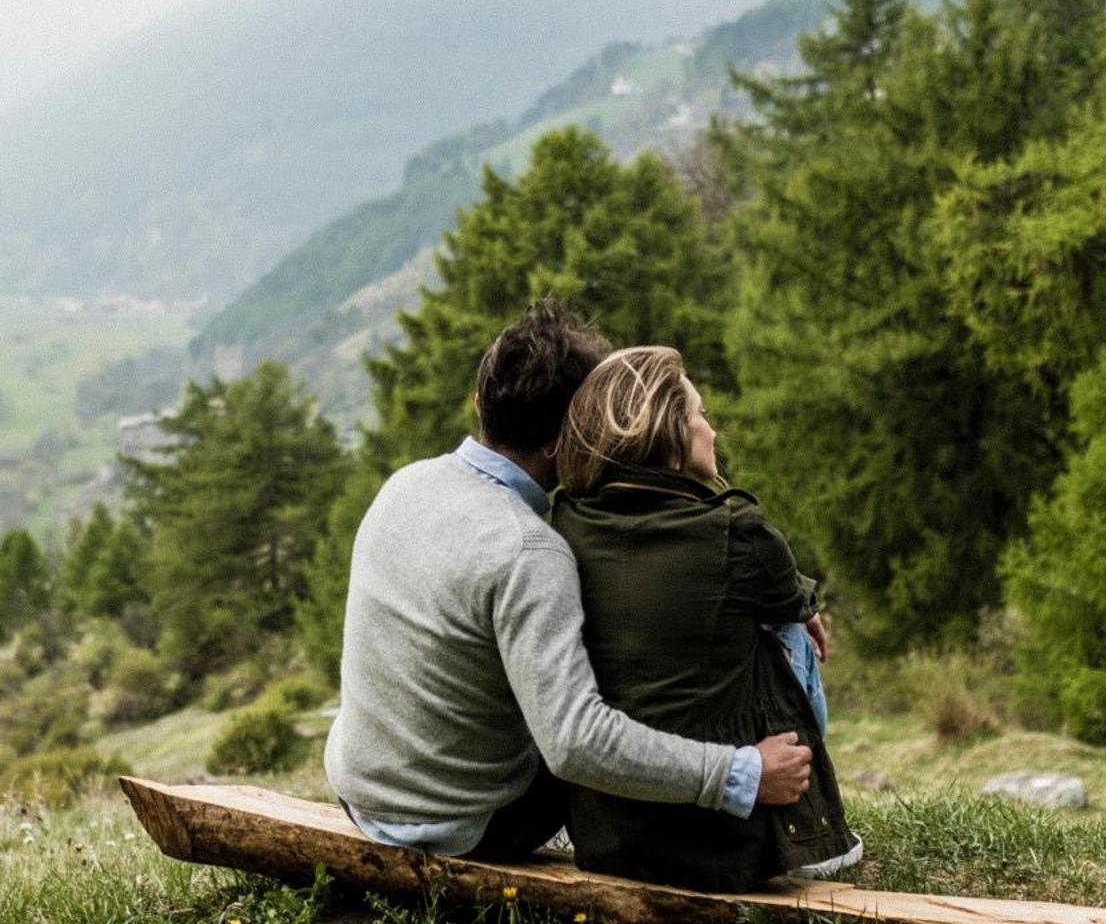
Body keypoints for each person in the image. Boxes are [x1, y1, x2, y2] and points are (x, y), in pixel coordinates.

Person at [323, 300, 814, 862]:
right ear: (571, 437)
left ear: (481, 401)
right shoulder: (531, 550)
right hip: (465, 826)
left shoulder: (405, 485)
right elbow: (576, 745)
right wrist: (739, 773)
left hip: (358, 795)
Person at [550, 345, 860, 891]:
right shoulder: (740, 533)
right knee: (786, 624)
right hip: (720, 852)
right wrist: (801, 610)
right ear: (671, 435)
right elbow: (785, 595)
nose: (711, 431)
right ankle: (806, 823)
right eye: (701, 414)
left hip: (603, 839)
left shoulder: (568, 521)